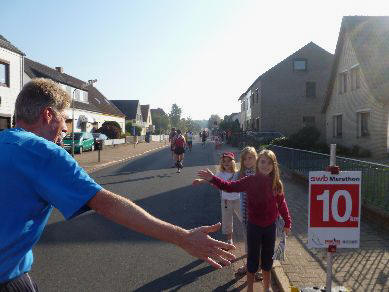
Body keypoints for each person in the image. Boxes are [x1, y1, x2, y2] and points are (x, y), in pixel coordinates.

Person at [0, 79, 235, 291]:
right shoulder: (43, 152)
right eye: (64, 120)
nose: (65, 129)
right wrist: (183, 237)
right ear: (48, 115)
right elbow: (106, 204)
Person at [196, 149, 292, 292]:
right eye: (263, 162)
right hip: (254, 226)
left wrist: (287, 222)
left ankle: (266, 288)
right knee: (252, 260)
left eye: (270, 163)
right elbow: (230, 187)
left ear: (274, 166)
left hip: (270, 227)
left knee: (267, 260)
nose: (266, 166)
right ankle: (250, 289)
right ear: (258, 163)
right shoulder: (250, 180)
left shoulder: (276, 184)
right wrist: (213, 178)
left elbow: (282, 204)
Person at [193, 152, 240, 245]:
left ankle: (250, 236)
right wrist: (200, 181)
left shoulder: (237, 173)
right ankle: (229, 239)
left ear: (233, 162)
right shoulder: (220, 173)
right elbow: (211, 179)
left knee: (245, 218)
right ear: (221, 163)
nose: (226, 163)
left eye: (229, 161)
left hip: (238, 199)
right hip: (226, 201)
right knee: (227, 220)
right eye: (224, 161)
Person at [236, 146, 258, 277]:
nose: (248, 161)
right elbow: (230, 183)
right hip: (245, 213)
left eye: (250, 158)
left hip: (259, 215)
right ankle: (250, 266)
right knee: (249, 241)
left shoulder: (261, 173)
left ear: (256, 158)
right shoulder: (241, 174)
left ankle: (255, 267)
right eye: (245, 159)